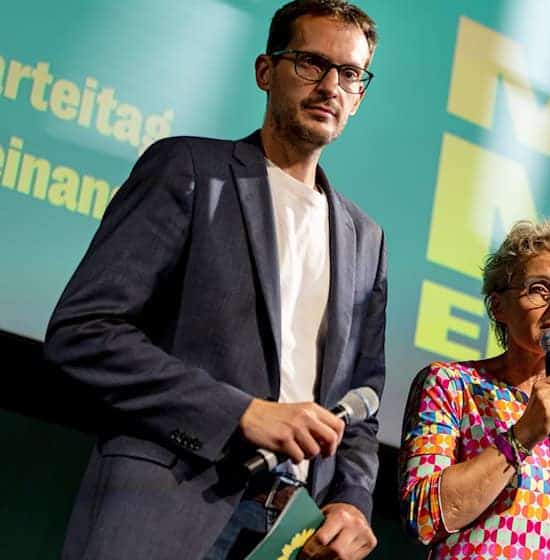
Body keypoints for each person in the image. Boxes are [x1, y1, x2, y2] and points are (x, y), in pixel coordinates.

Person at [43, 1, 386, 558]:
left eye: (349, 73)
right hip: (167, 505)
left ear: (360, 94)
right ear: (264, 71)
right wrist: (242, 413)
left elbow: (362, 401)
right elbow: (84, 331)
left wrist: (351, 500)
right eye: (310, 64)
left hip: (288, 532)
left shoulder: (364, 238)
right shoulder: (189, 170)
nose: (330, 86)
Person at [399, 220, 550, 559]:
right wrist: (524, 434)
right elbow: (424, 518)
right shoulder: (452, 385)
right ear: (498, 307)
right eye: (540, 289)